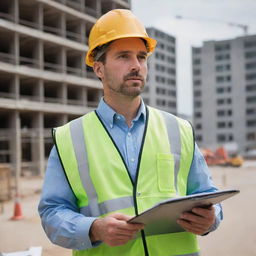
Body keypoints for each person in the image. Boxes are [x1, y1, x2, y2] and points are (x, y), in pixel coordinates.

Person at [38, 9, 222, 256]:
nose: (136, 66)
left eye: (142, 57)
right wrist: (93, 228)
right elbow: (52, 213)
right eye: (124, 56)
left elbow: (206, 195)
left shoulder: (179, 130)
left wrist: (211, 218)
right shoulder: (69, 138)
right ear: (98, 68)